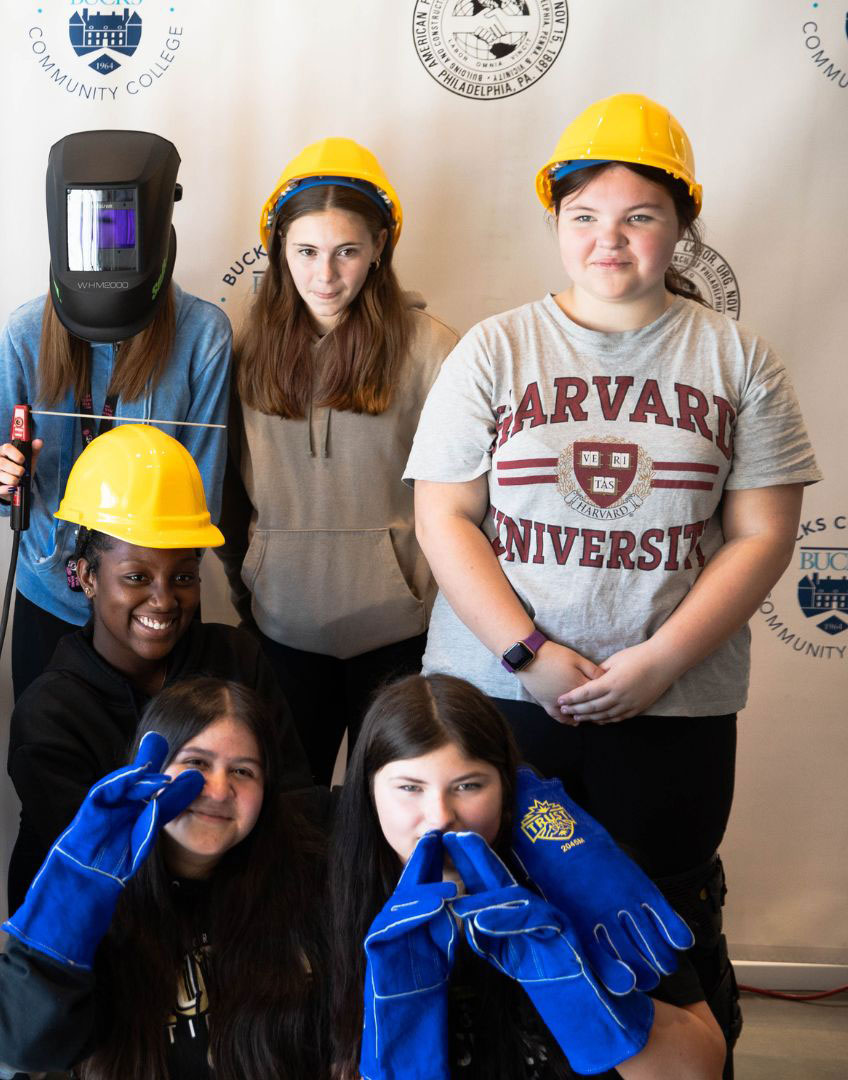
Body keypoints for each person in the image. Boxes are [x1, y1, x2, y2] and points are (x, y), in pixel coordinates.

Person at [405, 93, 820, 1066]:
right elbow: (444, 516)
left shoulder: (738, 357)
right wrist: (529, 650)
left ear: (680, 225)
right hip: (496, 700)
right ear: (556, 221)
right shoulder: (494, 351)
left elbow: (762, 533)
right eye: (585, 216)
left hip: (670, 711)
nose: (609, 240)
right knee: (482, 917)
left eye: (639, 216)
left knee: (659, 928)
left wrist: (658, 664)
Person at [328, 674, 726, 1079]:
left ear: (507, 789)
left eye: (468, 785)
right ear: (368, 791)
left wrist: (574, 988)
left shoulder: (592, 884)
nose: (440, 816)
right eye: (410, 788)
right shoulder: (326, 892)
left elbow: (702, 1070)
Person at [215, 137, 460, 784]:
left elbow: (468, 506)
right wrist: (251, 580)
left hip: (400, 633)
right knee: (292, 819)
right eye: (306, 252)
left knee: (392, 817)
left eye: (347, 251)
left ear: (380, 247)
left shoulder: (433, 351)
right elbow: (228, 491)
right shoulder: (243, 348)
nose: (325, 274)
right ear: (280, 252)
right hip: (281, 627)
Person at [4, 423, 309, 909]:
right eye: (137, 577)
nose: (164, 600)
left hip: (234, 910)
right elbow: (96, 860)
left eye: (183, 576)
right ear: (87, 576)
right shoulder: (52, 711)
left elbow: (292, 802)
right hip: (96, 925)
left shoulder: (237, 661)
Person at [0, 130, 236, 699]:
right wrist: (2, 481)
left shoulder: (202, 335)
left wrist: (145, 579)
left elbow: (205, 496)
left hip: (154, 605)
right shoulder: (26, 332)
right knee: (52, 771)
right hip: (47, 596)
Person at [0, 677, 330, 1079]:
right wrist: (70, 901)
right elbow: (12, 1050)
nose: (217, 790)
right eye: (196, 763)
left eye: (243, 771)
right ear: (148, 772)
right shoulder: (99, 901)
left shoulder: (306, 889)